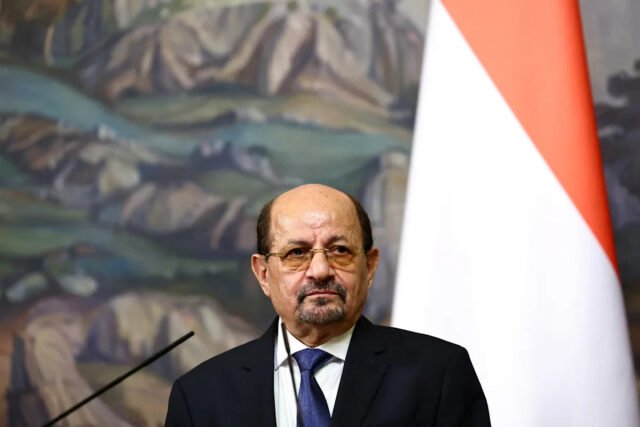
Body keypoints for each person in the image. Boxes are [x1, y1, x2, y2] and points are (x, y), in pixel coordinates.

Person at [165, 184, 490, 426]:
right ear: (263, 273)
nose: (320, 270)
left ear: (370, 266)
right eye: (297, 253)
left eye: (340, 251)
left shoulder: (438, 374)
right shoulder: (200, 395)